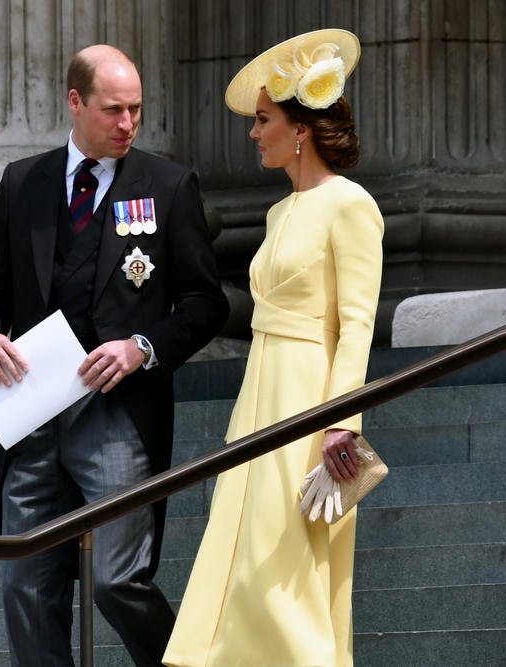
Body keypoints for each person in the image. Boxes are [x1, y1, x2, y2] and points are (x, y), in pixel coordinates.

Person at [0, 44, 229, 666]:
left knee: (116, 581)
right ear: (75, 102)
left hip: (117, 413)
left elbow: (205, 303)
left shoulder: (168, 185)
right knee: (26, 586)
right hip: (32, 412)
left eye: (136, 109)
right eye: (114, 109)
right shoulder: (22, 182)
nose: (128, 123)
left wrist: (142, 347)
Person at [163, 30, 384, 667]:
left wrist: (341, 421)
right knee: (243, 547)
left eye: (264, 119)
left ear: (301, 130)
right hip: (259, 393)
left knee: (285, 556)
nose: (253, 132)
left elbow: (357, 325)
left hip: (309, 400)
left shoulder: (351, 204)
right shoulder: (278, 212)